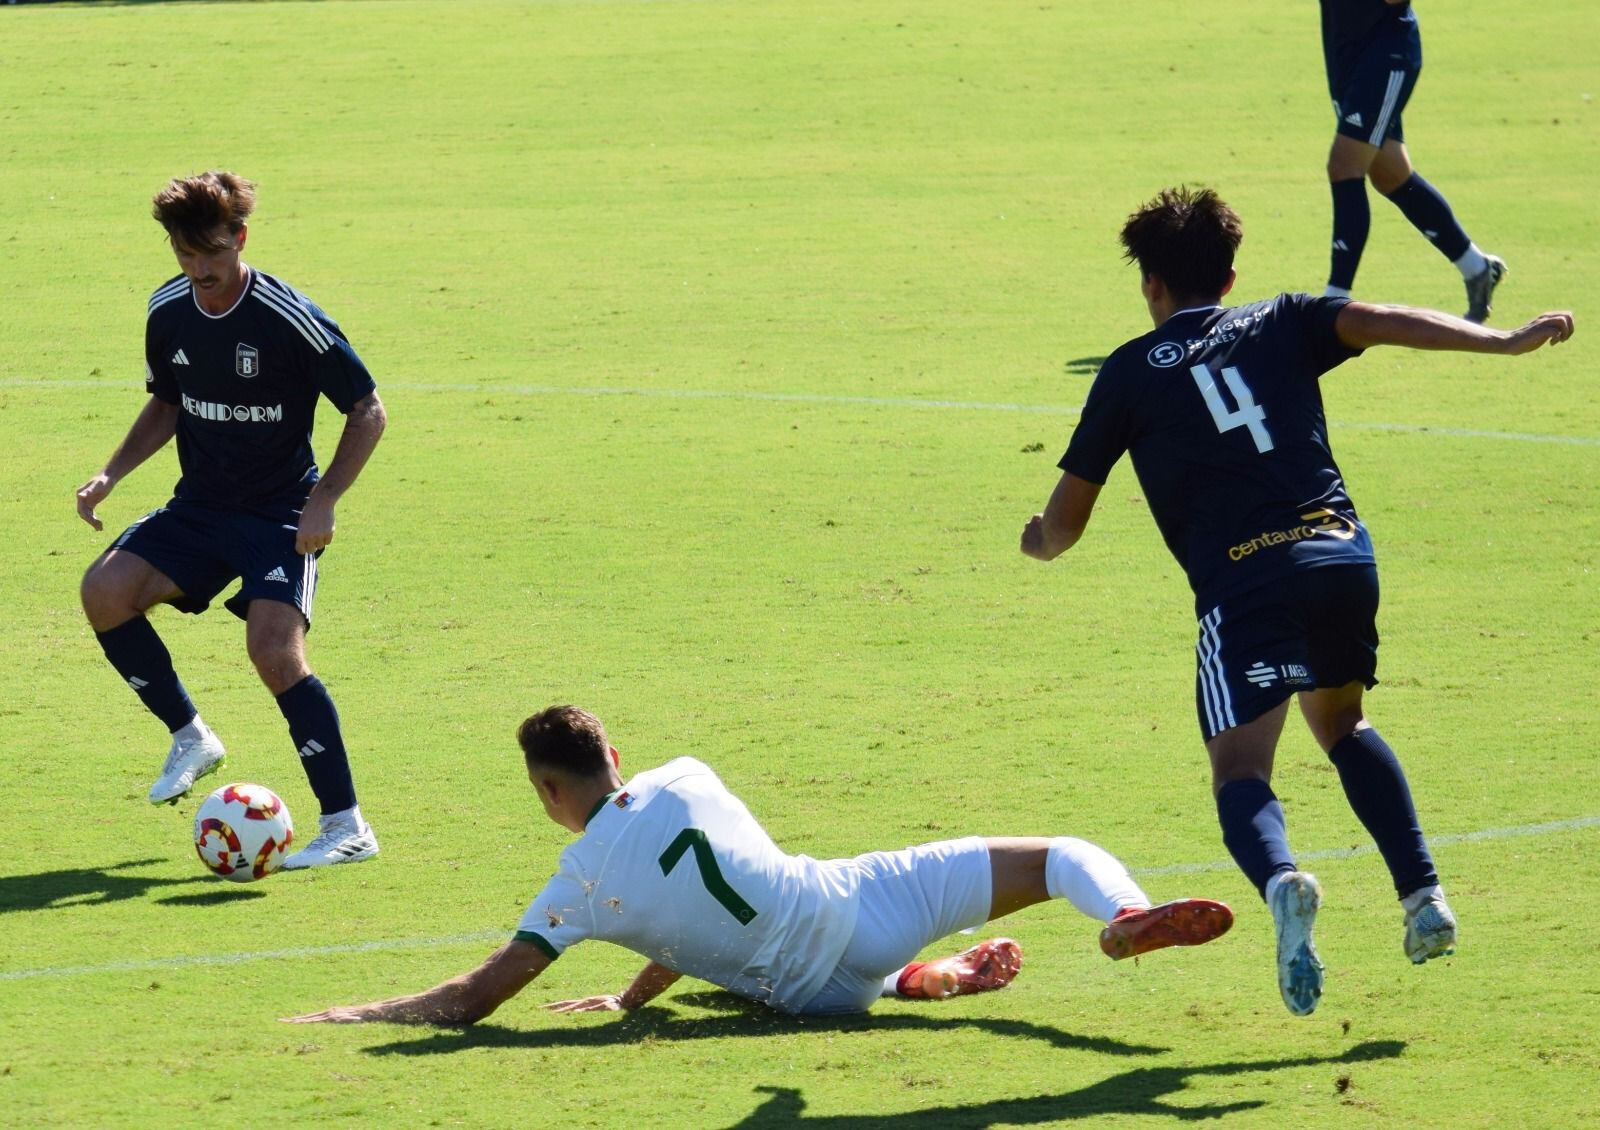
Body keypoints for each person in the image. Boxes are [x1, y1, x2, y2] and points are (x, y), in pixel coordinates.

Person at [1021, 186, 1573, 1016]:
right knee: (1342, 723)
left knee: (1241, 768)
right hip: (1340, 556)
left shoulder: (1129, 372)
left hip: (1245, 583)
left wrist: (1035, 538)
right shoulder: (1283, 317)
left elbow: (1064, 527)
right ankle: (1423, 898)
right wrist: (1500, 340)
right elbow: (1381, 317)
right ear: (1232, 272)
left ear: (1151, 286)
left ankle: (1282, 881)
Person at [284, 706, 1233, 1024]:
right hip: (863, 907)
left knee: (740, 967)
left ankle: (923, 982)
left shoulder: (576, 892)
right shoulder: (687, 775)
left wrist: (363, 1012)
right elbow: (711, 875)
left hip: (807, 999)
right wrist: (630, 997)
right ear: (613, 756)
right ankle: (1118, 915)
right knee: (1055, 854)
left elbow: (474, 997)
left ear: (545, 790)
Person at [76, 171, 388, 870]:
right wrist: (112, 473)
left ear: (239, 239)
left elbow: (367, 409)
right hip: (201, 505)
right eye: (185, 256)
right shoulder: (169, 311)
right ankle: (190, 735)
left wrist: (326, 498)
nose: (200, 270)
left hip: (280, 510)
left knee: (274, 653)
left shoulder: (288, 317)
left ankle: (346, 826)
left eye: (211, 253)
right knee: (105, 592)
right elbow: (167, 402)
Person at [1319, 0, 1505, 321]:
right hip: (1345, 50)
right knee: (1389, 173)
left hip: (1384, 51)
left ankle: (1334, 300)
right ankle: (1476, 268)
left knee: (1345, 164)